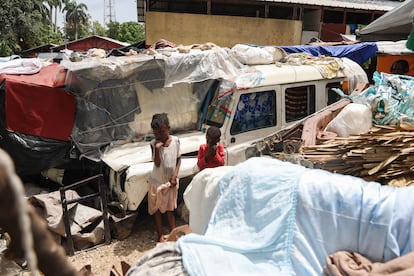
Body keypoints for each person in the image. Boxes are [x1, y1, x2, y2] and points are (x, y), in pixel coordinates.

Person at [148, 113, 181, 242]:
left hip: (170, 182)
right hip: (157, 182)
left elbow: (178, 159)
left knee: (170, 209)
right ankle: (160, 234)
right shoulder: (153, 144)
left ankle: (173, 233)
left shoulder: (176, 141)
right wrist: (157, 150)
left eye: (162, 132)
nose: (159, 136)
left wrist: (175, 175)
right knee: (157, 209)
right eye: (156, 133)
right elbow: (157, 163)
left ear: (168, 127)